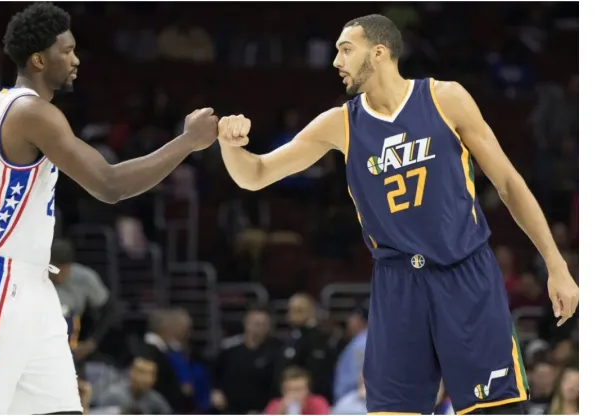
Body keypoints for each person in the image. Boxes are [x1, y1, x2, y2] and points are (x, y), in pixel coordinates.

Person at [216, 14, 579, 415]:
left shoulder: (445, 98)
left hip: (465, 273)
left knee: (496, 409)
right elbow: (256, 175)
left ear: (380, 51)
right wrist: (232, 146)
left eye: (345, 49)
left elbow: (509, 184)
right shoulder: (340, 124)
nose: (336, 60)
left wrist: (556, 264)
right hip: (397, 285)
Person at [0, 3, 219, 414]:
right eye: (66, 51)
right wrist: (187, 143)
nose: (76, 59)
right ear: (38, 59)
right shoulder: (35, 113)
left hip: (34, 290)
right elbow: (110, 185)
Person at [264, 366, 330, 415]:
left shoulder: (318, 402)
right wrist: (280, 411)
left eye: (299, 389)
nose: (294, 394)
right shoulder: (274, 405)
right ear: (282, 391)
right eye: (290, 389)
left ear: (308, 390)